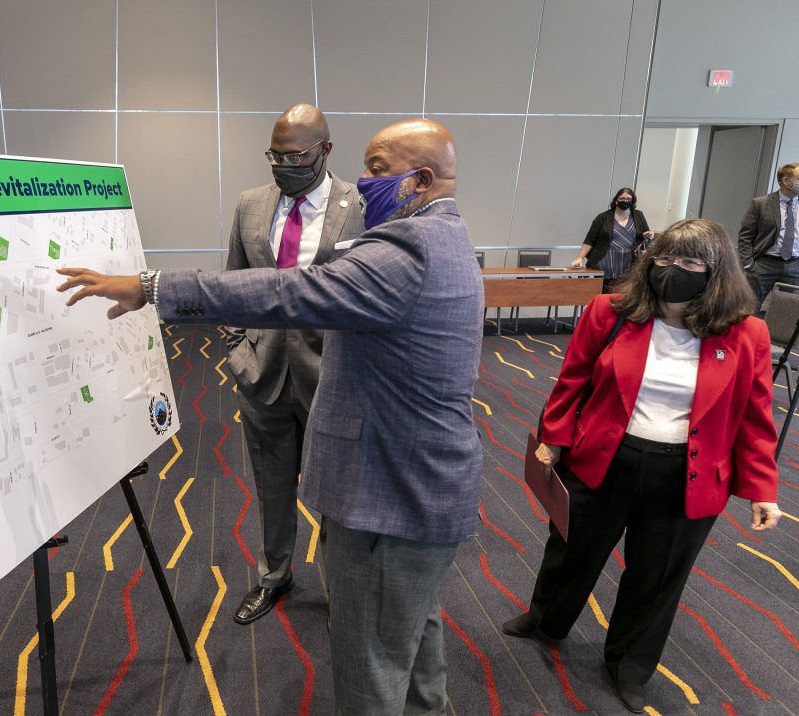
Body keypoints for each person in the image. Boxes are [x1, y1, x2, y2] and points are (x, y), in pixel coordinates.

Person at [57, 118, 484, 715]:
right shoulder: (445, 236)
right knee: (413, 633)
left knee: (370, 663)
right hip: (418, 481)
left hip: (390, 492)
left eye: (380, 170)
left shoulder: (408, 249)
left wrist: (153, 287)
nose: (366, 183)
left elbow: (288, 293)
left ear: (422, 179)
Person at [504, 218, 781, 713]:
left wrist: (763, 489)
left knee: (655, 577)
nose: (674, 270)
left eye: (691, 263)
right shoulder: (610, 311)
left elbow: (755, 417)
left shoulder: (747, 333)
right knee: (571, 549)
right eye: (665, 259)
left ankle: (628, 665)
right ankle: (546, 618)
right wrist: (553, 438)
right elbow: (573, 379)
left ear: (715, 272)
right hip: (606, 456)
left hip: (686, 475)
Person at [223, 104, 364, 625]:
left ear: (325, 149)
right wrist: (238, 351)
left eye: (295, 155)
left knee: (337, 492)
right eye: (274, 155)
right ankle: (274, 576)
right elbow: (234, 284)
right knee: (270, 484)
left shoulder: (360, 204)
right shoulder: (250, 204)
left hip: (333, 377)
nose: (282, 165)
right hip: (261, 374)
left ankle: (339, 585)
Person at [738, 162, 799, 308]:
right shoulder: (760, 203)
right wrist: (748, 265)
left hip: (794, 267)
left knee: (785, 313)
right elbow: (745, 236)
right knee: (748, 308)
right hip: (764, 265)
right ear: (786, 181)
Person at [570, 188, 654, 293]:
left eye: (628, 199)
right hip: (605, 264)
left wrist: (649, 235)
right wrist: (579, 258)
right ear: (616, 200)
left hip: (628, 265)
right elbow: (590, 239)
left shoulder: (638, 215)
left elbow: (645, 234)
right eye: (622, 198)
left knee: (623, 299)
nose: (625, 201)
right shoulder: (603, 217)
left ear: (633, 201)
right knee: (602, 298)